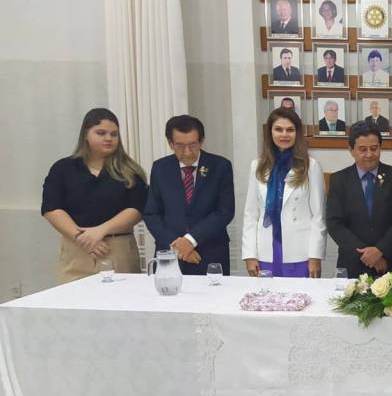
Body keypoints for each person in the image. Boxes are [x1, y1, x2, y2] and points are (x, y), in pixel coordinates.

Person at [42, 108, 148, 283]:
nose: (109, 138)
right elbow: (51, 208)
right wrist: (82, 238)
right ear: (85, 134)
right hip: (76, 250)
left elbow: (137, 209)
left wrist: (100, 231)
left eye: (114, 134)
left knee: (122, 297)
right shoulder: (63, 168)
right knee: (74, 299)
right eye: (101, 133)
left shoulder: (130, 171)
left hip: (118, 248)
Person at [144, 115, 234, 276]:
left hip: (210, 252)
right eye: (180, 146)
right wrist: (178, 246)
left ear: (201, 141)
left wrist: (190, 240)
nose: (187, 152)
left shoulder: (220, 166)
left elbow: (224, 211)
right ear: (170, 143)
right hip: (170, 253)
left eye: (193, 145)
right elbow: (152, 213)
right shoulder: (160, 168)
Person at [242, 108, 326, 278]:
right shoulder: (257, 166)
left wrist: (315, 256)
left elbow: (318, 216)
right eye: (278, 129)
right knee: (267, 294)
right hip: (266, 249)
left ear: (297, 133)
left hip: (300, 251)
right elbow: (251, 214)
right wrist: (250, 254)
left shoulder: (311, 166)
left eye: (290, 130)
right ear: (270, 132)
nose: (284, 134)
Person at [325, 122, 392, 277]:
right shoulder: (339, 180)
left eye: (374, 148)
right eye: (363, 149)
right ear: (351, 150)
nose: (369, 154)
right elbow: (334, 223)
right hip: (352, 263)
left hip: (390, 261)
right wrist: (367, 256)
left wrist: (380, 251)